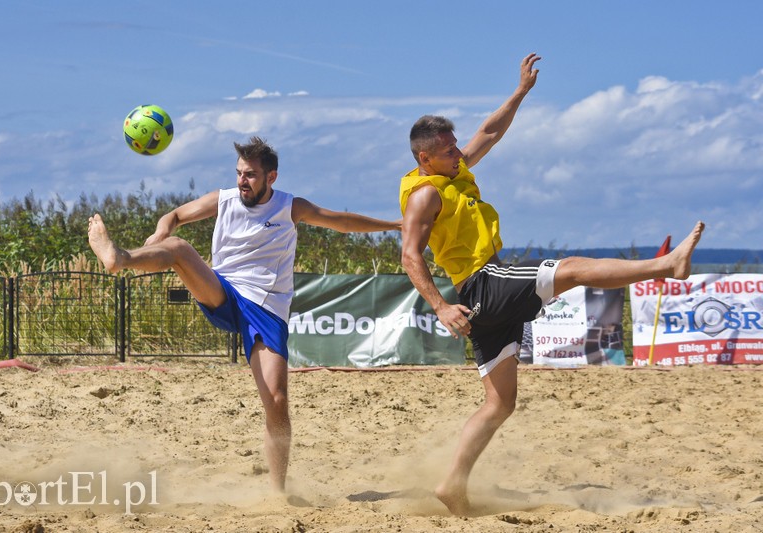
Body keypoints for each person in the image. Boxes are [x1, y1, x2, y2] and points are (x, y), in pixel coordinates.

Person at [398, 52, 705, 515]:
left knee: (500, 405)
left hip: (483, 294)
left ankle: (451, 483)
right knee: (574, 268)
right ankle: (666, 267)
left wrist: (520, 92)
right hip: (483, 283)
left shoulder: (453, 171)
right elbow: (409, 255)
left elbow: (489, 132)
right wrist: (440, 306)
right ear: (425, 158)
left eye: (455, 145)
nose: (459, 152)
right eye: (448, 150)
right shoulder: (424, 194)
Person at [88, 136, 400, 494]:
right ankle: (118, 258)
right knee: (177, 248)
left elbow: (341, 221)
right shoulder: (224, 200)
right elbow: (173, 216)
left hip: (267, 308)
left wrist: (395, 226)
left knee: (277, 401)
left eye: (250, 175)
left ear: (272, 177)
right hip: (224, 290)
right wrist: (160, 231)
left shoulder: (289, 206)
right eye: (238, 173)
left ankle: (277, 492)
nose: (242, 181)